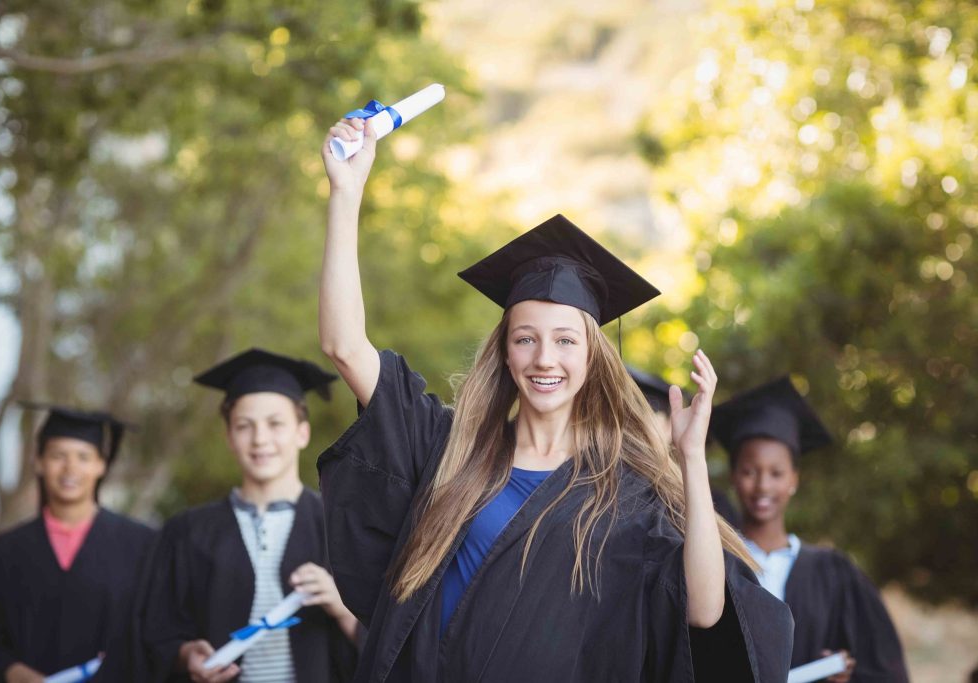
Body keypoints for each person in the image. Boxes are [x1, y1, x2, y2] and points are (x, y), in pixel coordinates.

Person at [315, 117, 794, 682]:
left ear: (592, 357)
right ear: (505, 352)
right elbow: (344, 345)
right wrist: (346, 195)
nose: (545, 358)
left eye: (565, 341)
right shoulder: (447, 449)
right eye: (526, 339)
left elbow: (703, 610)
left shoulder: (625, 494)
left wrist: (688, 459)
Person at [141, 348, 359, 683]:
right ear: (229, 436)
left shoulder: (341, 526)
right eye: (245, 426)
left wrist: (340, 606)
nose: (260, 440)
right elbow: (158, 632)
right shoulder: (187, 533)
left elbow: (395, 639)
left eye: (275, 424)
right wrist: (187, 656)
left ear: (302, 432)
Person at [712, 376, 910, 682]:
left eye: (776, 473)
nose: (763, 485)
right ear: (734, 477)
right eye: (749, 471)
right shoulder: (716, 561)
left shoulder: (834, 574)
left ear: (794, 479)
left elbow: (883, 670)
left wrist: (843, 676)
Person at [0, 404, 155, 683]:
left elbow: (155, 639)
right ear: (38, 462)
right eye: (58, 455)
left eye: (84, 457)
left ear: (101, 465)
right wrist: (14, 672)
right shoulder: (7, 550)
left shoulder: (141, 545)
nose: (70, 468)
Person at [629, 367, 740, 526]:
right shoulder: (608, 490)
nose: (634, 431)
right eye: (628, 421)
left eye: (646, 420)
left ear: (670, 426)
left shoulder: (709, 500)